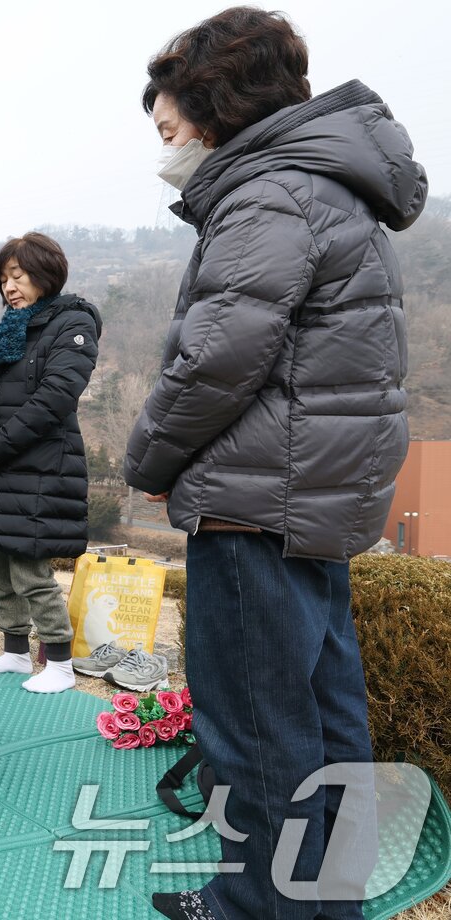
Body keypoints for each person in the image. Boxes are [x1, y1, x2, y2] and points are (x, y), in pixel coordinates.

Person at [123, 8, 427, 920]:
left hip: (257, 499)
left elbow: (216, 358)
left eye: (172, 131)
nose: (167, 152)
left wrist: (147, 458)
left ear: (215, 111)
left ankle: (261, 907)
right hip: (314, 496)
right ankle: (325, 899)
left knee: (255, 724)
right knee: (325, 711)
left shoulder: (266, 195)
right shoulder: (332, 186)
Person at [0, 232, 103, 695]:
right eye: (3, 280)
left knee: (31, 570)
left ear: (45, 274)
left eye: (17, 277)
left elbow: (55, 397)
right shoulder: (9, 329)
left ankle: (58, 661)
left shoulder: (72, 322)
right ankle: (16, 652)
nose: (9, 288)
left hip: (41, 467)